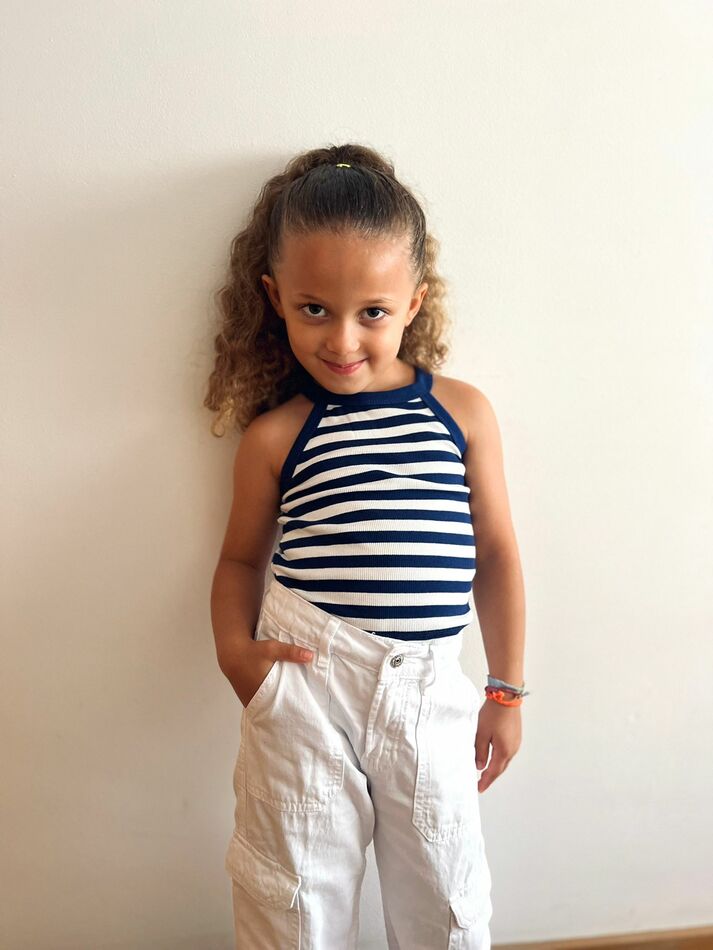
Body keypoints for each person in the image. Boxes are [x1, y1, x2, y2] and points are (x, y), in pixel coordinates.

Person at [206, 143, 528, 950]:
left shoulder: (461, 414)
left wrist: (504, 691)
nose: (342, 338)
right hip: (305, 689)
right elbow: (240, 559)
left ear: (413, 303)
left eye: (372, 313)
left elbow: (495, 554)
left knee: (447, 902)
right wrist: (236, 657)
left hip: (429, 692)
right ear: (275, 297)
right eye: (314, 309)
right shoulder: (277, 434)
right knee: (292, 901)